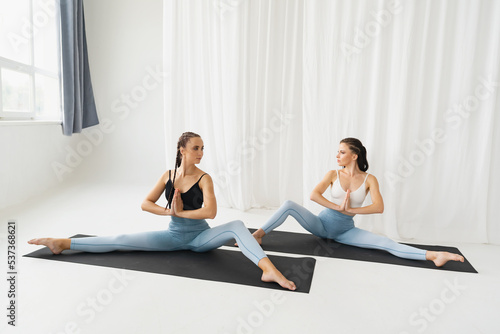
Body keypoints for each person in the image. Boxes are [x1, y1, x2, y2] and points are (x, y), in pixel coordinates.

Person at [29, 132, 296, 290]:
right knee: (122, 241)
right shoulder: (168, 175)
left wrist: (180, 214)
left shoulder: (205, 179)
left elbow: (211, 213)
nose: (201, 153)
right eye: (196, 148)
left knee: (237, 224)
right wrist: (170, 214)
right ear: (182, 150)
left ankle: (269, 269)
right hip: (172, 236)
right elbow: (146, 203)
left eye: (202, 148)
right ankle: (63, 243)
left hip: (201, 238)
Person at [252, 138, 464, 267]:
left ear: (354, 156)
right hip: (321, 224)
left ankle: (434, 255)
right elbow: (314, 195)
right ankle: (258, 235)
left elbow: (379, 207)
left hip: (345, 231)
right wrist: (337, 207)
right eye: (338, 152)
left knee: (386, 243)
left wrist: (351, 209)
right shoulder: (333, 174)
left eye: (342, 152)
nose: (337, 155)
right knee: (289, 204)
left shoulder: (369, 179)